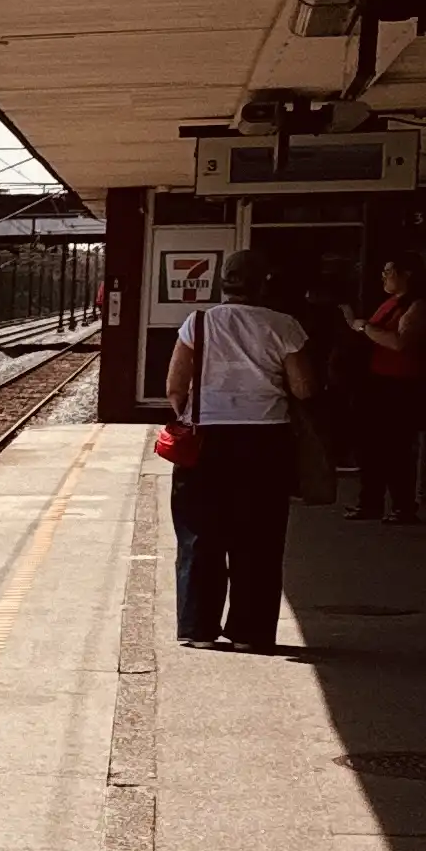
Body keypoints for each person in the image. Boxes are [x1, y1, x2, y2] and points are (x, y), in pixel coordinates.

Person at [165, 247, 316, 649]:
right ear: (266, 283)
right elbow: (304, 387)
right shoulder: (284, 325)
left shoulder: (197, 322)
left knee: (200, 533)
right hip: (265, 440)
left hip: (208, 439)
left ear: (224, 282)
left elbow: (175, 387)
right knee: (259, 536)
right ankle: (250, 632)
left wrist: (193, 415)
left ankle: (197, 629)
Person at [356, 256, 426, 521]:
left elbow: (400, 343)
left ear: (407, 274)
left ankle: (403, 505)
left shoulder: (418, 307)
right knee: (371, 447)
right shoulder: (389, 302)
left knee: (396, 447)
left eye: (389, 271)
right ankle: (370, 502)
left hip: (401, 385)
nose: (384, 276)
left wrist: (363, 326)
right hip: (378, 380)